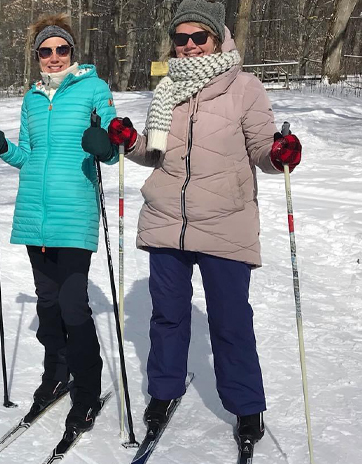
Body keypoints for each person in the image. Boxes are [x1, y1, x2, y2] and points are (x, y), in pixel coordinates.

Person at [105, 0, 303, 446]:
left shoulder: (245, 87)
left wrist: (279, 154)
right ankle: (163, 391)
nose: (190, 45)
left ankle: (246, 405)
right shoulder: (166, 88)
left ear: (217, 38)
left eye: (199, 37)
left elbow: (261, 147)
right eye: (181, 38)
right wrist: (131, 142)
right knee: (167, 317)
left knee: (231, 320)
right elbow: (154, 153)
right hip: (166, 220)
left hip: (225, 221)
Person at [0, 14, 119, 432]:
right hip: (34, 217)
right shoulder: (32, 98)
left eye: (61, 49)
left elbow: (113, 150)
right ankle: (55, 373)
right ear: (36, 56)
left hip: (73, 215)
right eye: (45, 51)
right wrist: (0, 144)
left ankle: (87, 392)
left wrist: (105, 146)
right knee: (48, 303)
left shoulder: (95, 89)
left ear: (72, 52)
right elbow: (27, 156)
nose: (54, 57)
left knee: (73, 306)